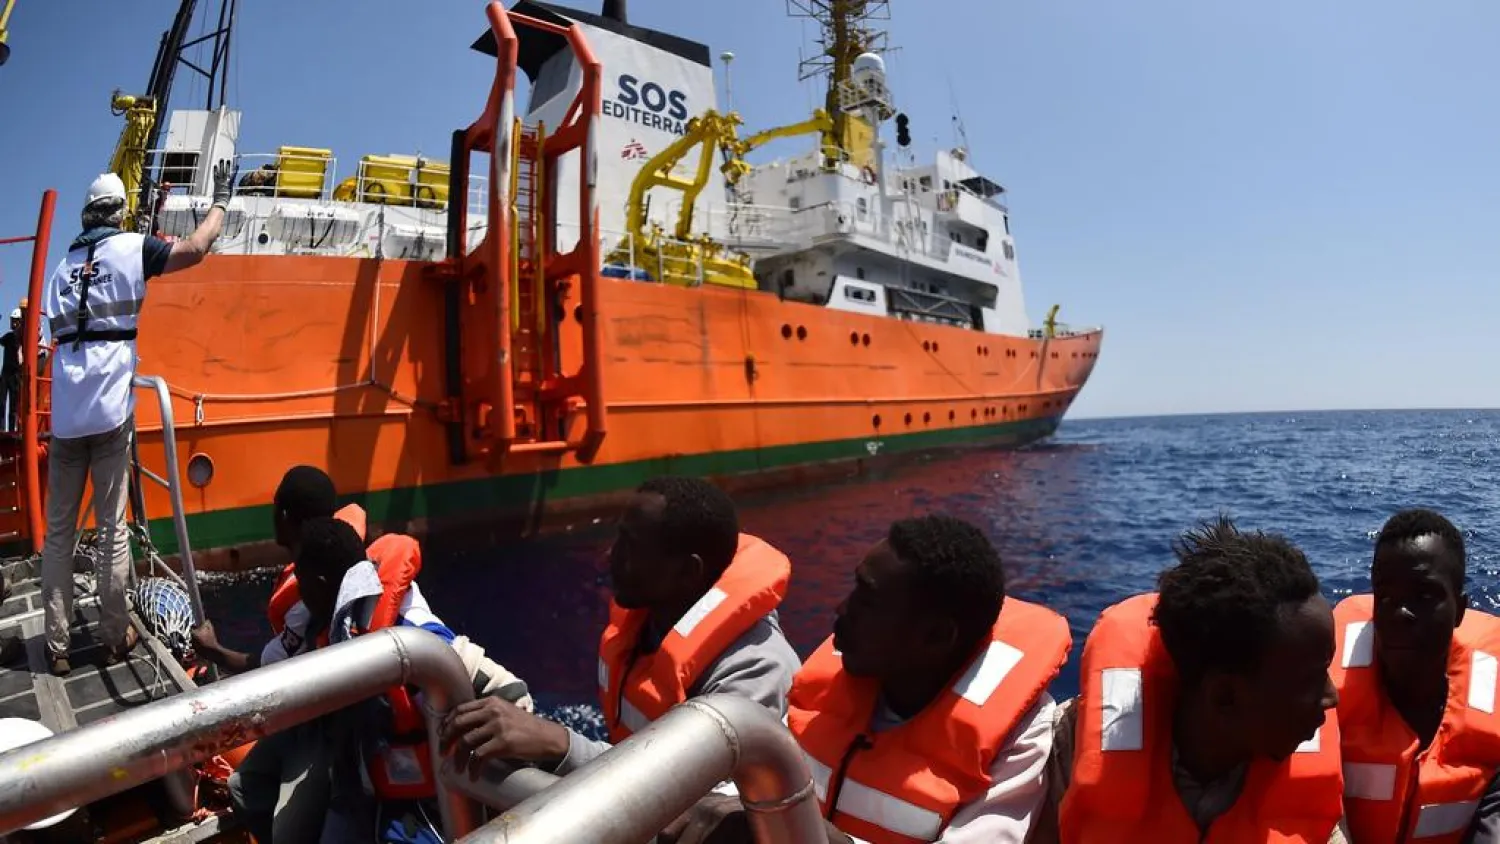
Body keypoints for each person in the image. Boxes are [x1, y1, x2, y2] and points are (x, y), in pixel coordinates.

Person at [660, 513, 1072, 844]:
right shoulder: (845, 677)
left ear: (934, 637)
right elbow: (759, 778)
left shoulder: (1017, 734)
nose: (841, 608)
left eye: (867, 599)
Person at [441, 475, 800, 778]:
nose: (611, 555)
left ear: (688, 572)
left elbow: (708, 805)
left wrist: (559, 744)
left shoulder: (755, 672)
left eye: (632, 546)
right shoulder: (648, 621)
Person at [41, 162, 232, 676]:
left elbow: (54, 338)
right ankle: (112, 635)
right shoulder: (132, 247)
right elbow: (193, 249)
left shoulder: (61, 270)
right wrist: (219, 205)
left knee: (58, 534)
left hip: (64, 417)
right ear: (119, 211)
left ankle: (55, 647)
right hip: (107, 413)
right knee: (112, 527)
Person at [1055, 515, 1346, 843]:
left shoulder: (1309, 784)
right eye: (1308, 681)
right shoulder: (1070, 743)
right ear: (1224, 697)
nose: (1332, 696)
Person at [1332, 509, 1500, 843]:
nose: (1401, 614)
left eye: (1424, 596)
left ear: (1460, 610)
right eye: (1386, 597)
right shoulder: (1320, 698)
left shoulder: (1493, 700)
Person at [0, 306, 21, 432]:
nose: (13, 323)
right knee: (1, 402)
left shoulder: (23, 338)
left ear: (20, 322)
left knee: (13, 405)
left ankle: (12, 430)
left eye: (15, 320)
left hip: (16, 375)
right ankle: (1, 429)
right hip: (5, 374)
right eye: (12, 320)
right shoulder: (8, 337)